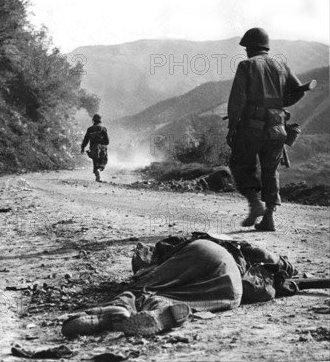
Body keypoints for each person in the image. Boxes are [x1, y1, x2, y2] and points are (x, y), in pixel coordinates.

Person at [61, 232, 296, 338]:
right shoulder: (236, 245)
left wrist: (143, 274)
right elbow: (272, 258)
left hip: (205, 252)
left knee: (141, 288)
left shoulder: (175, 246)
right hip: (232, 289)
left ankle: (114, 311)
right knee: (180, 297)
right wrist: (289, 267)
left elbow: (144, 272)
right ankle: (160, 313)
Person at [226, 28, 304, 231]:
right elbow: (298, 91)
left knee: (240, 164)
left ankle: (255, 203)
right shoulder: (280, 65)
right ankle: (269, 218)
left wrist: (232, 126)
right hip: (278, 126)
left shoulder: (247, 65)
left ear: (251, 47)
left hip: (252, 125)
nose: (245, 52)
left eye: (246, 48)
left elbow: (238, 98)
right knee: (271, 170)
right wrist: (278, 104)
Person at [81, 114, 109, 182]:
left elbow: (86, 139)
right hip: (102, 147)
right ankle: (100, 169)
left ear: (93, 121)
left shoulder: (90, 129)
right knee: (103, 160)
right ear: (100, 121)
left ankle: (97, 174)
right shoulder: (103, 129)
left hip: (93, 147)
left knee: (95, 161)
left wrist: (83, 147)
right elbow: (107, 141)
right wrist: (104, 145)